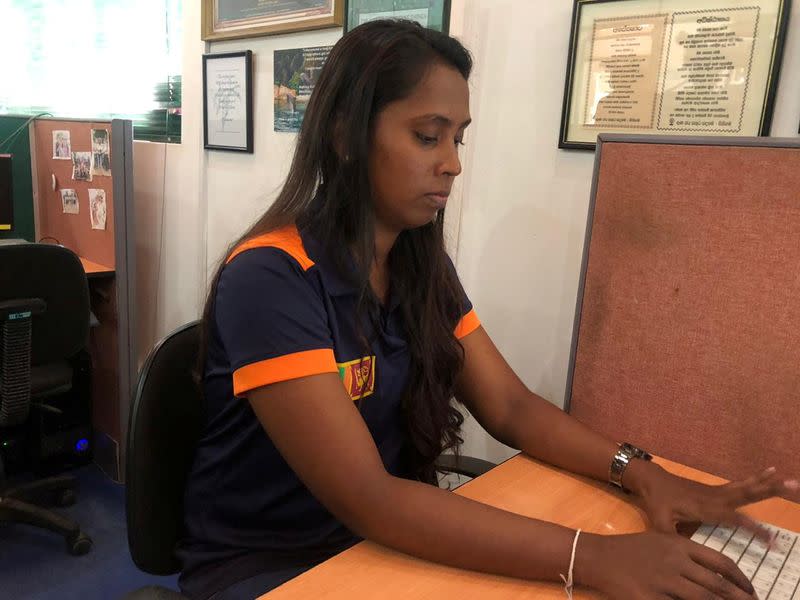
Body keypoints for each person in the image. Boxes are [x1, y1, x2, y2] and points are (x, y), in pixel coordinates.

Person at [178, 20, 796, 600]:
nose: (453, 162)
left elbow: (511, 406)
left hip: (383, 541)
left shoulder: (418, 266)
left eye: (458, 137)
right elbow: (368, 495)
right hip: (274, 566)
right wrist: (595, 559)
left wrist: (640, 472)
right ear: (344, 135)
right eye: (428, 135)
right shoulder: (270, 277)